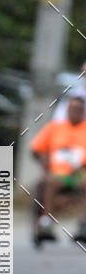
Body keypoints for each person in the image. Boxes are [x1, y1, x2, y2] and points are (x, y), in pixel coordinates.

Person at [31, 95, 86, 242]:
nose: (75, 112)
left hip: (80, 174)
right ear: (67, 110)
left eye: (78, 109)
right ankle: (46, 222)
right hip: (58, 174)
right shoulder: (55, 127)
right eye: (72, 109)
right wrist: (45, 163)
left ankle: (83, 224)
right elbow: (36, 149)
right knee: (49, 181)